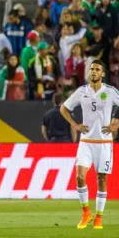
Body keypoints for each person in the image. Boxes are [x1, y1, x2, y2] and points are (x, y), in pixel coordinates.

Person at [60, 60, 119, 230]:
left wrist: (116, 125)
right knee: (80, 177)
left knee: (101, 179)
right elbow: (64, 108)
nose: (93, 72)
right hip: (85, 141)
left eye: (97, 69)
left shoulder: (110, 92)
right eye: (91, 69)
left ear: (103, 74)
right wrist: (75, 124)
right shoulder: (81, 92)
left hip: (104, 142)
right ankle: (86, 212)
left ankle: (99, 217)